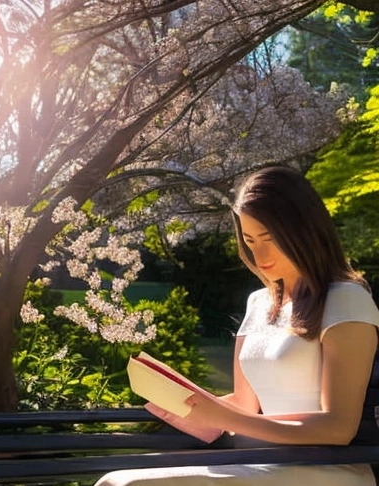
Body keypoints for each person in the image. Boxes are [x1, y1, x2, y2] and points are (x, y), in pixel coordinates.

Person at [95, 165, 379, 486]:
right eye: (250, 240)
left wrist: (222, 416)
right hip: (258, 461)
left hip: (328, 469)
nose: (260, 254)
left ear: (304, 231)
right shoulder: (259, 302)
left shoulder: (346, 299)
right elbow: (244, 406)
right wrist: (179, 403)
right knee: (117, 479)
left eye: (269, 238)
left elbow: (339, 428)